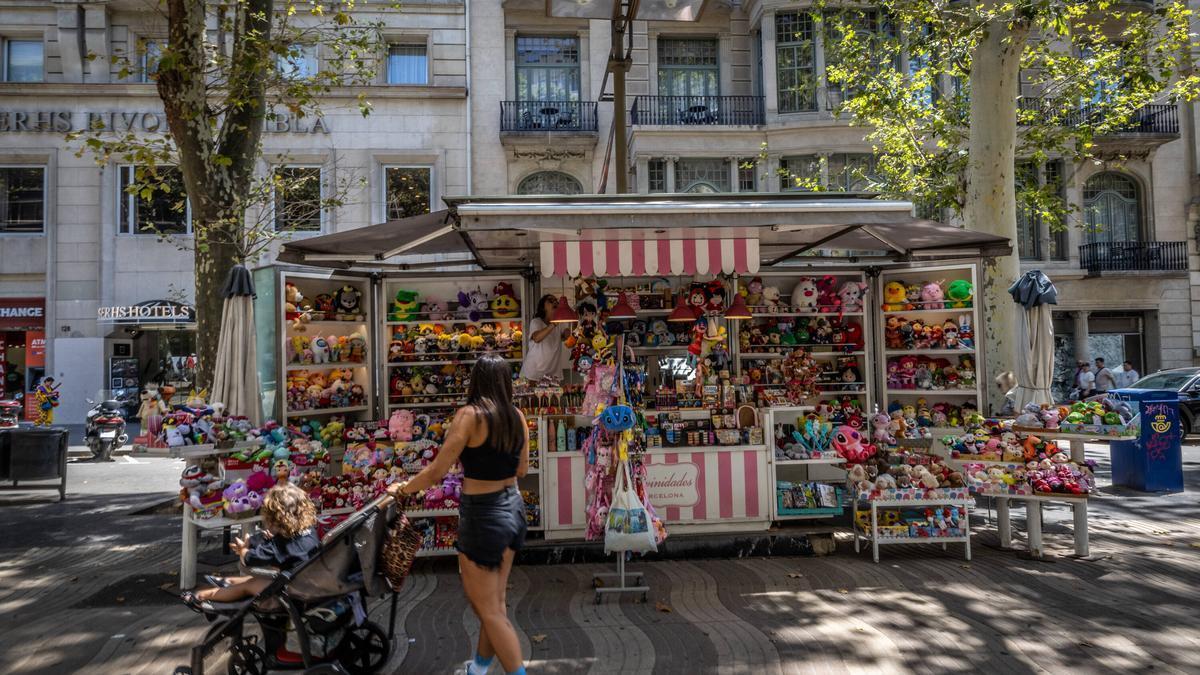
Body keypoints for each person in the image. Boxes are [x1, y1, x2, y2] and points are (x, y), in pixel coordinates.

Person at [388, 354, 529, 675]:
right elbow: (522, 468)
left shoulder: (469, 416)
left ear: (475, 381)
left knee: (488, 609)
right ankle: (478, 669)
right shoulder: (517, 416)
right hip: (513, 509)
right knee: (495, 604)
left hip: (483, 516)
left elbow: (437, 471)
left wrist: (403, 488)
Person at [182, 483, 319, 611]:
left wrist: (243, 550)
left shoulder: (279, 546)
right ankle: (229, 581)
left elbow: (250, 559)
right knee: (259, 580)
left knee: (247, 586)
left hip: (293, 590)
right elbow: (285, 543)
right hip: (308, 581)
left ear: (273, 518)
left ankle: (203, 596)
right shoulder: (309, 531)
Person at [518, 294, 568, 382]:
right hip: (533, 373)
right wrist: (554, 324)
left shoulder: (560, 323)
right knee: (531, 396)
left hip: (553, 374)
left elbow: (566, 338)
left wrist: (573, 322)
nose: (555, 302)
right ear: (543, 307)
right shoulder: (536, 322)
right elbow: (537, 338)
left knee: (553, 396)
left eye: (556, 300)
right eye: (550, 301)